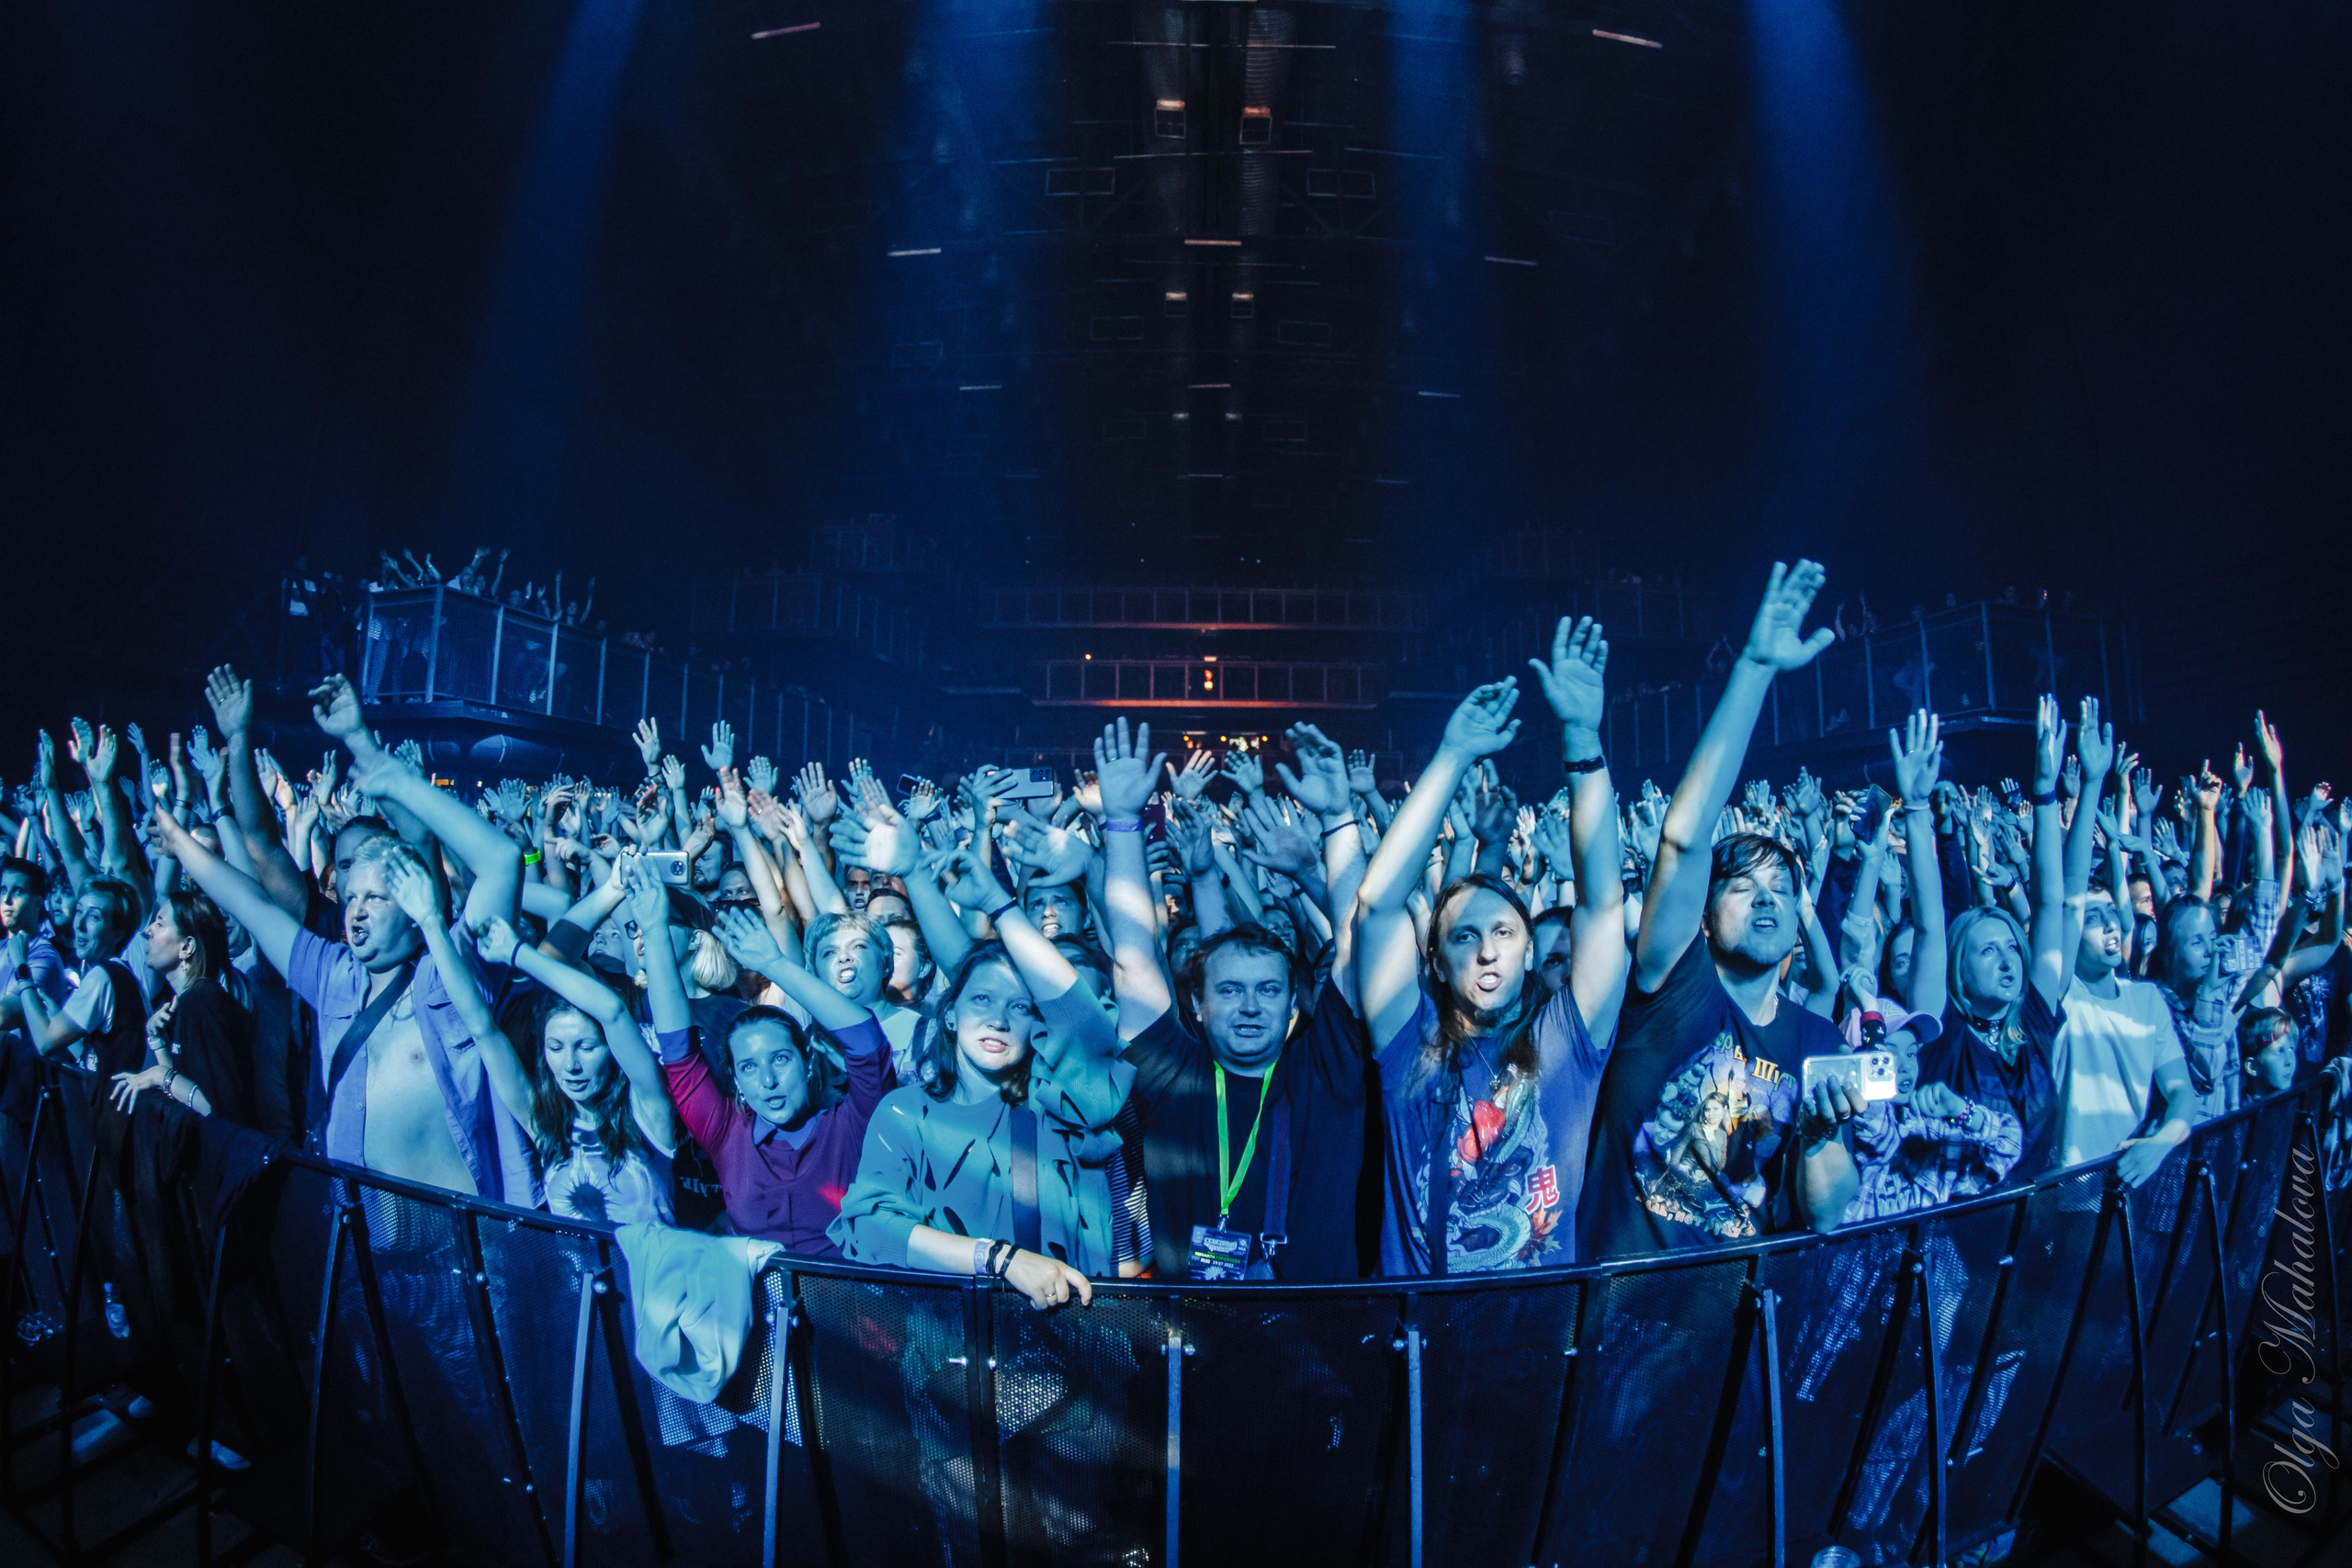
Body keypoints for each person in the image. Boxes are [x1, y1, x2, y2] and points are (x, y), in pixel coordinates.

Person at [1580, 563, 1862, 1260]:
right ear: (1703, 918)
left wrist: (1822, 1137)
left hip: (1729, 1333)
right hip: (1617, 1320)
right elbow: (1682, 838)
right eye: (1743, 886)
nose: (1767, 898)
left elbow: (1829, 1214)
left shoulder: (1815, 1040)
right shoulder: (1674, 990)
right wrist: (1757, 669)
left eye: (1781, 889)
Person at [147, 704, 534, 1202]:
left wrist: (382, 763)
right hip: (365, 1254)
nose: (356, 911)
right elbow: (248, 900)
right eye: (351, 896)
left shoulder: (450, 969)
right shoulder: (331, 974)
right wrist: (179, 841)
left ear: (414, 903)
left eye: (376, 898)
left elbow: (503, 860)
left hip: (455, 1252)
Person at [1355, 615, 1628, 1274]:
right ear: (1438, 962)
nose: (1486, 951)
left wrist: (1583, 740)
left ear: (1531, 949)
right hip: (1423, 1346)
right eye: (1465, 937)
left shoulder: (1568, 1036)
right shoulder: (1409, 1046)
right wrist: (1452, 755)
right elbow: (1376, 904)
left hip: (1532, 1343)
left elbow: (1603, 902)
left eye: (1505, 932)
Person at [1096, 717, 1376, 1280]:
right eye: (1229, 990)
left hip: (1316, 1351)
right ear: (1196, 1005)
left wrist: (1338, 817)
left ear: (1294, 1007)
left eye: (1269, 990)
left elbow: (1357, 937)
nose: (1251, 1006)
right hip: (1192, 1345)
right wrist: (1123, 822)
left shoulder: (1326, 1071)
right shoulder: (1175, 1071)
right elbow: (1133, 958)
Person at [831, 847, 1128, 1309]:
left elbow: (1084, 1023)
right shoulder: (906, 1112)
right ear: (949, 1017)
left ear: (1040, 1024)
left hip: (1069, 1352)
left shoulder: (1061, 1104)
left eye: (1020, 1007)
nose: (999, 1020)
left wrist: (1000, 903)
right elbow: (870, 1228)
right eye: (982, 1000)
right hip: (947, 1358)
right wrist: (999, 1259)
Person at [665, 896, 890, 1254]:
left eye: (781, 1059)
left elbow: (865, 1040)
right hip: (760, 1309)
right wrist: (655, 932)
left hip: (848, 1307)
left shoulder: (853, 1124)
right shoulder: (727, 1135)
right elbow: (678, 1053)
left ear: (808, 1062)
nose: (768, 1081)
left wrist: (773, 964)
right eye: (749, 1067)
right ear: (736, 1080)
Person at [1915, 695, 2075, 1184]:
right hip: (1957, 1245)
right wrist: (1918, 807)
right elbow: (1927, 922)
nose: (2008, 961)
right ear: (1957, 968)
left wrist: (2046, 793)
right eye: (1988, 950)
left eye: (2011, 947)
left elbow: (2052, 903)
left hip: (2039, 1229)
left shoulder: (2035, 1015)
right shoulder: (1941, 1028)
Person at [106, 890, 258, 1126]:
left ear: (186, 947)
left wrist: (159, 1076)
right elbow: (183, 1092)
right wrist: (157, 1041)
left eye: (160, 924)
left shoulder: (203, 1002)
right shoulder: (188, 1002)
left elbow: (214, 1107)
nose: (148, 931)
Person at [13, 876, 150, 1077]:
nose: (79, 925)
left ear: (117, 934)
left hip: (116, 1107)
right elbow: (94, 1058)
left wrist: (22, 969)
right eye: (79, 912)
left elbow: (45, 1042)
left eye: (94, 917)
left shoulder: (102, 977)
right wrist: (56, 1015)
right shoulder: (121, 974)